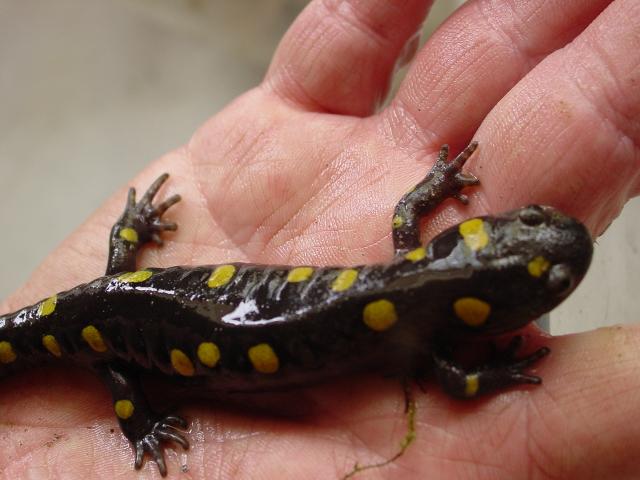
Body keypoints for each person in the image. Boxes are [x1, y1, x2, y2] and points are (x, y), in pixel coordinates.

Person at [1, 0, 638, 477]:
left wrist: (439, 182)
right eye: (526, 218)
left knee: (110, 322)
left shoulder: (423, 295)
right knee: (105, 340)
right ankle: (130, 395)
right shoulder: (433, 332)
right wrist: (491, 369)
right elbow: (458, 379)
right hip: (112, 327)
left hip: (121, 306)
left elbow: (408, 224)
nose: (536, 229)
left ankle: (126, 268)